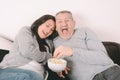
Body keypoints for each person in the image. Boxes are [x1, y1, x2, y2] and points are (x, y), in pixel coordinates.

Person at [53, 10, 120, 80]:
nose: (64, 24)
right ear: (56, 26)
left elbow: (104, 59)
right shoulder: (54, 42)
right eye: (60, 21)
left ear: (74, 23)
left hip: (110, 72)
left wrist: (72, 51)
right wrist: (58, 68)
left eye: (67, 20)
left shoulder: (85, 31)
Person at [0, 14, 57, 80]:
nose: (48, 31)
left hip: (36, 75)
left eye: (52, 30)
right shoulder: (26, 31)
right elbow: (27, 51)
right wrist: (50, 56)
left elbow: (52, 62)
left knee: (35, 77)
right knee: (28, 77)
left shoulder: (49, 43)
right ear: (40, 23)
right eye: (47, 26)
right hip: (12, 69)